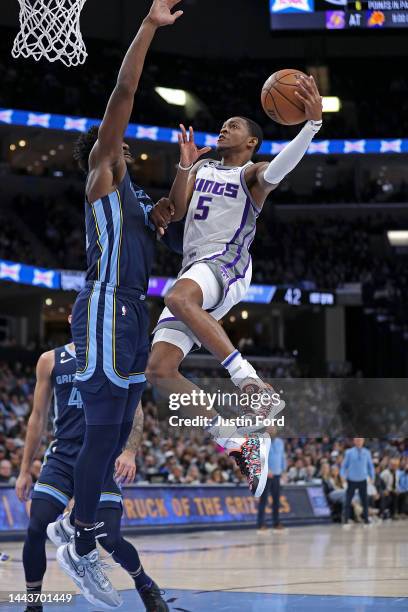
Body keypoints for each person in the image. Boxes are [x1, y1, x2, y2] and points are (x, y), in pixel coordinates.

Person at [55, 1, 183, 607]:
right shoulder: (103, 173)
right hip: (106, 307)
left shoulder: (135, 199)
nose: (126, 141)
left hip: (134, 311)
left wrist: (186, 172)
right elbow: (125, 89)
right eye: (119, 138)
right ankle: (78, 543)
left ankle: (75, 529)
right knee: (102, 430)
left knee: (113, 436)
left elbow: (170, 216)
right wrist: (149, 26)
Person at [147, 78, 323, 497]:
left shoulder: (252, 174)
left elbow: (280, 169)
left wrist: (311, 127)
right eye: (223, 125)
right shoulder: (204, 168)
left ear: (252, 143)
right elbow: (176, 211)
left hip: (225, 265)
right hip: (195, 266)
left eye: (233, 127)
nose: (224, 129)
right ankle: (235, 440)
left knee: (176, 296)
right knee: (159, 369)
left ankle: (251, 384)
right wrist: (185, 166)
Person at [15, 340, 168, 612]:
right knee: (36, 525)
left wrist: (130, 452)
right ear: (73, 318)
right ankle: (33, 604)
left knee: (108, 536)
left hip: (103, 458)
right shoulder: (50, 359)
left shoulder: (117, 357)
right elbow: (37, 416)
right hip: (64, 456)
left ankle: (146, 586)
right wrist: (25, 470)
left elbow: (135, 409)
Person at [341, 438, 375, 528]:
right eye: (357, 440)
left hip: (363, 479)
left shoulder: (367, 452)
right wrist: (342, 476)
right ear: (354, 441)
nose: (359, 441)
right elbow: (344, 466)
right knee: (348, 501)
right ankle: (346, 521)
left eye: (360, 440)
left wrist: (372, 477)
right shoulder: (349, 452)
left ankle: (366, 520)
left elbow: (370, 466)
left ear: (363, 441)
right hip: (351, 479)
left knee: (365, 501)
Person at [257, 429, 286, 533]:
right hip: (266, 475)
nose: (271, 430)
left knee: (276, 501)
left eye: (273, 428)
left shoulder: (280, 442)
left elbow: (283, 457)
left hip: (277, 475)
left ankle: (276, 522)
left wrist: (284, 471)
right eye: (269, 428)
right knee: (263, 500)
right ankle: (261, 523)